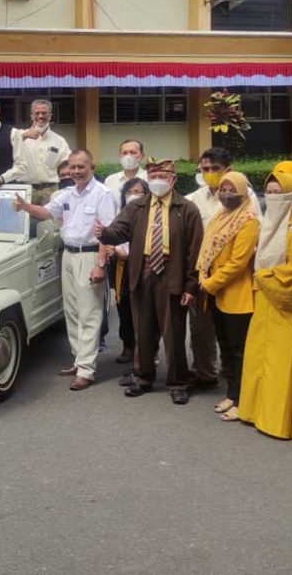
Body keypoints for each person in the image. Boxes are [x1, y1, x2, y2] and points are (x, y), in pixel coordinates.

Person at [99, 159, 204, 404]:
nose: (158, 181)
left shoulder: (186, 209)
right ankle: (143, 377)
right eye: (154, 177)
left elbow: (195, 251)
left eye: (163, 177)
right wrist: (103, 232)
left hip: (172, 271)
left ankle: (178, 382)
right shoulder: (137, 208)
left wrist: (191, 285)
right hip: (142, 271)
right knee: (143, 329)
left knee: (174, 331)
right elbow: (119, 230)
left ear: (173, 180)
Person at [14, 149, 114, 390]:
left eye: (81, 166)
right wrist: (25, 206)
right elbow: (47, 212)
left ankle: (87, 370)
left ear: (92, 166)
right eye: (73, 167)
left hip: (90, 256)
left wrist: (100, 265)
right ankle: (79, 360)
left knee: (89, 313)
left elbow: (109, 233)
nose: (76, 171)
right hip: (68, 255)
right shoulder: (68, 194)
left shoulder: (103, 194)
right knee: (71, 311)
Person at [237, 167, 292, 439]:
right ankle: (255, 412)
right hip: (265, 300)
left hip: (284, 304)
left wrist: (265, 276)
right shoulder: (269, 219)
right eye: (268, 192)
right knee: (259, 358)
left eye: (279, 193)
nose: (273, 197)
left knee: (280, 365)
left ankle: (279, 422)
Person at [185, 147, 259, 390]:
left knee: (233, 336)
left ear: (228, 170)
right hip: (203, 276)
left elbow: (248, 248)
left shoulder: (244, 198)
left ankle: (236, 384)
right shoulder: (194, 199)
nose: (209, 174)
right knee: (201, 329)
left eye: (215, 169)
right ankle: (205, 374)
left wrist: (216, 280)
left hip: (232, 279)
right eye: (204, 169)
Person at [196, 171, 260, 422]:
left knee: (239, 350)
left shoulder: (248, 220)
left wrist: (210, 283)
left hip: (236, 294)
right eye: (223, 189)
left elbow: (238, 263)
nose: (226, 194)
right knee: (225, 347)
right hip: (215, 292)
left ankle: (243, 400)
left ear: (244, 192)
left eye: (232, 190)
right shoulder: (219, 216)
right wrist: (203, 276)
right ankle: (232, 394)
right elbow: (207, 249)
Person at [109, 178, 149, 379]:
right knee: (123, 307)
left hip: (142, 268)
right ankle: (127, 346)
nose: (134, 195)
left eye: (139, 191)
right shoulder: (120, 215)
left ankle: (144, 353)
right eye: (130, 191)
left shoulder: (150, 215)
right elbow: (112, 237)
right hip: (121, 268)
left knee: (142, 311)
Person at [10, 99, 70, 204]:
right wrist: (24, 136)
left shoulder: (59, 141)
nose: (40, 116)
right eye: (37, 113)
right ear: (32, 116)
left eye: (44, 113)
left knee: (51, 220)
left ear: (50, 116)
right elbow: (5, 150)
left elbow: (68, 163)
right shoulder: (19, 135)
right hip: (26, 190)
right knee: (25, 220)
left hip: (50, 190)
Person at [103, 139, 148, 217]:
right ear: (120, 156)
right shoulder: (110, 180)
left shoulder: (149, 178)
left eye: (133, 152)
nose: (128, 156)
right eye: (124, 153)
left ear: (142, 156)